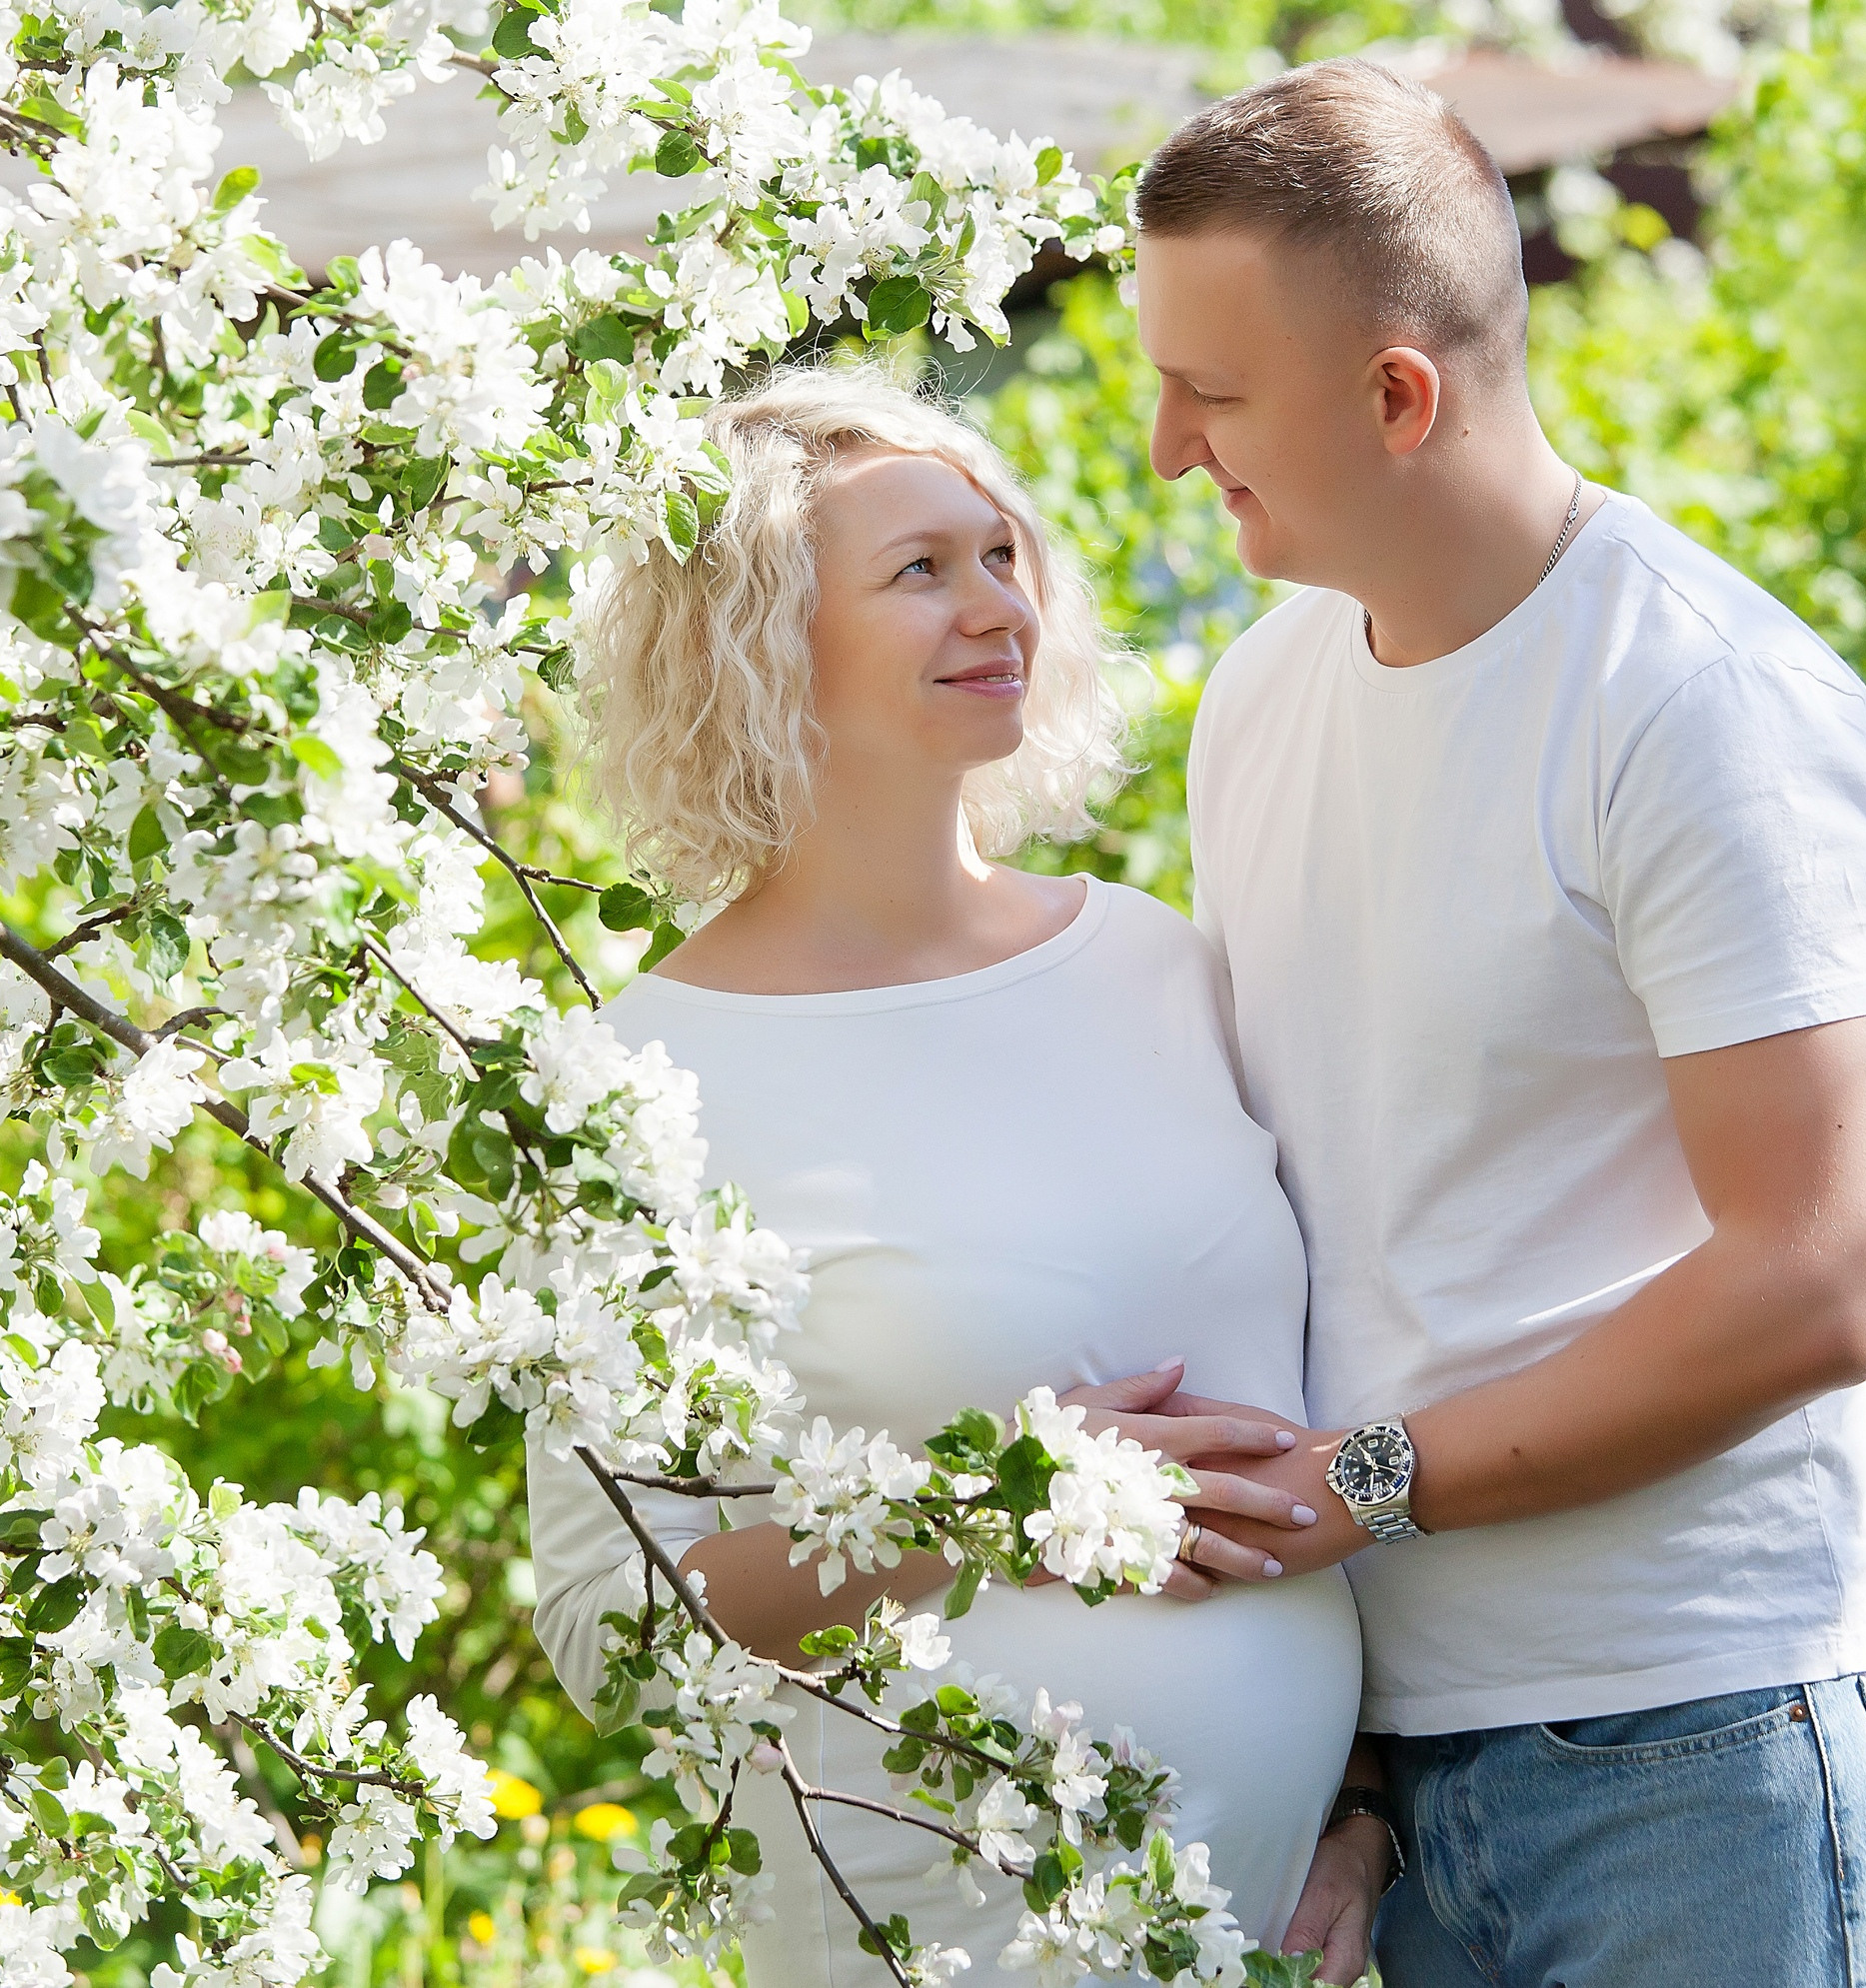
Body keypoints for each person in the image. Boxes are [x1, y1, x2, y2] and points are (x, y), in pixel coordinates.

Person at [1120, 57, 1866, 1986]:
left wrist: (1361, 1489)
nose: (1167, 445)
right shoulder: (1258, 704)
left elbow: (1822, 1275)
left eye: (1212, 389)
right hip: (1420, 1784)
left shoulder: (1701, 708)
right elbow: (1353, 1237)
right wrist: (1346, 1761)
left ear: (1397, 394)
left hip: (1723, 1757)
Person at [524, 366, 1376, 1988]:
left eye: (1001, 556)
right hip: (939, 1930)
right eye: (920, 570)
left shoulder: (1157, 963)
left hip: (1288, 1930)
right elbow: (610, 1626)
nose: (996, 605)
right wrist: (1002, 1498)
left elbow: (1329, 1396)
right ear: (760, 642)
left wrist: (1363, 1802)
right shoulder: (634, 1084)